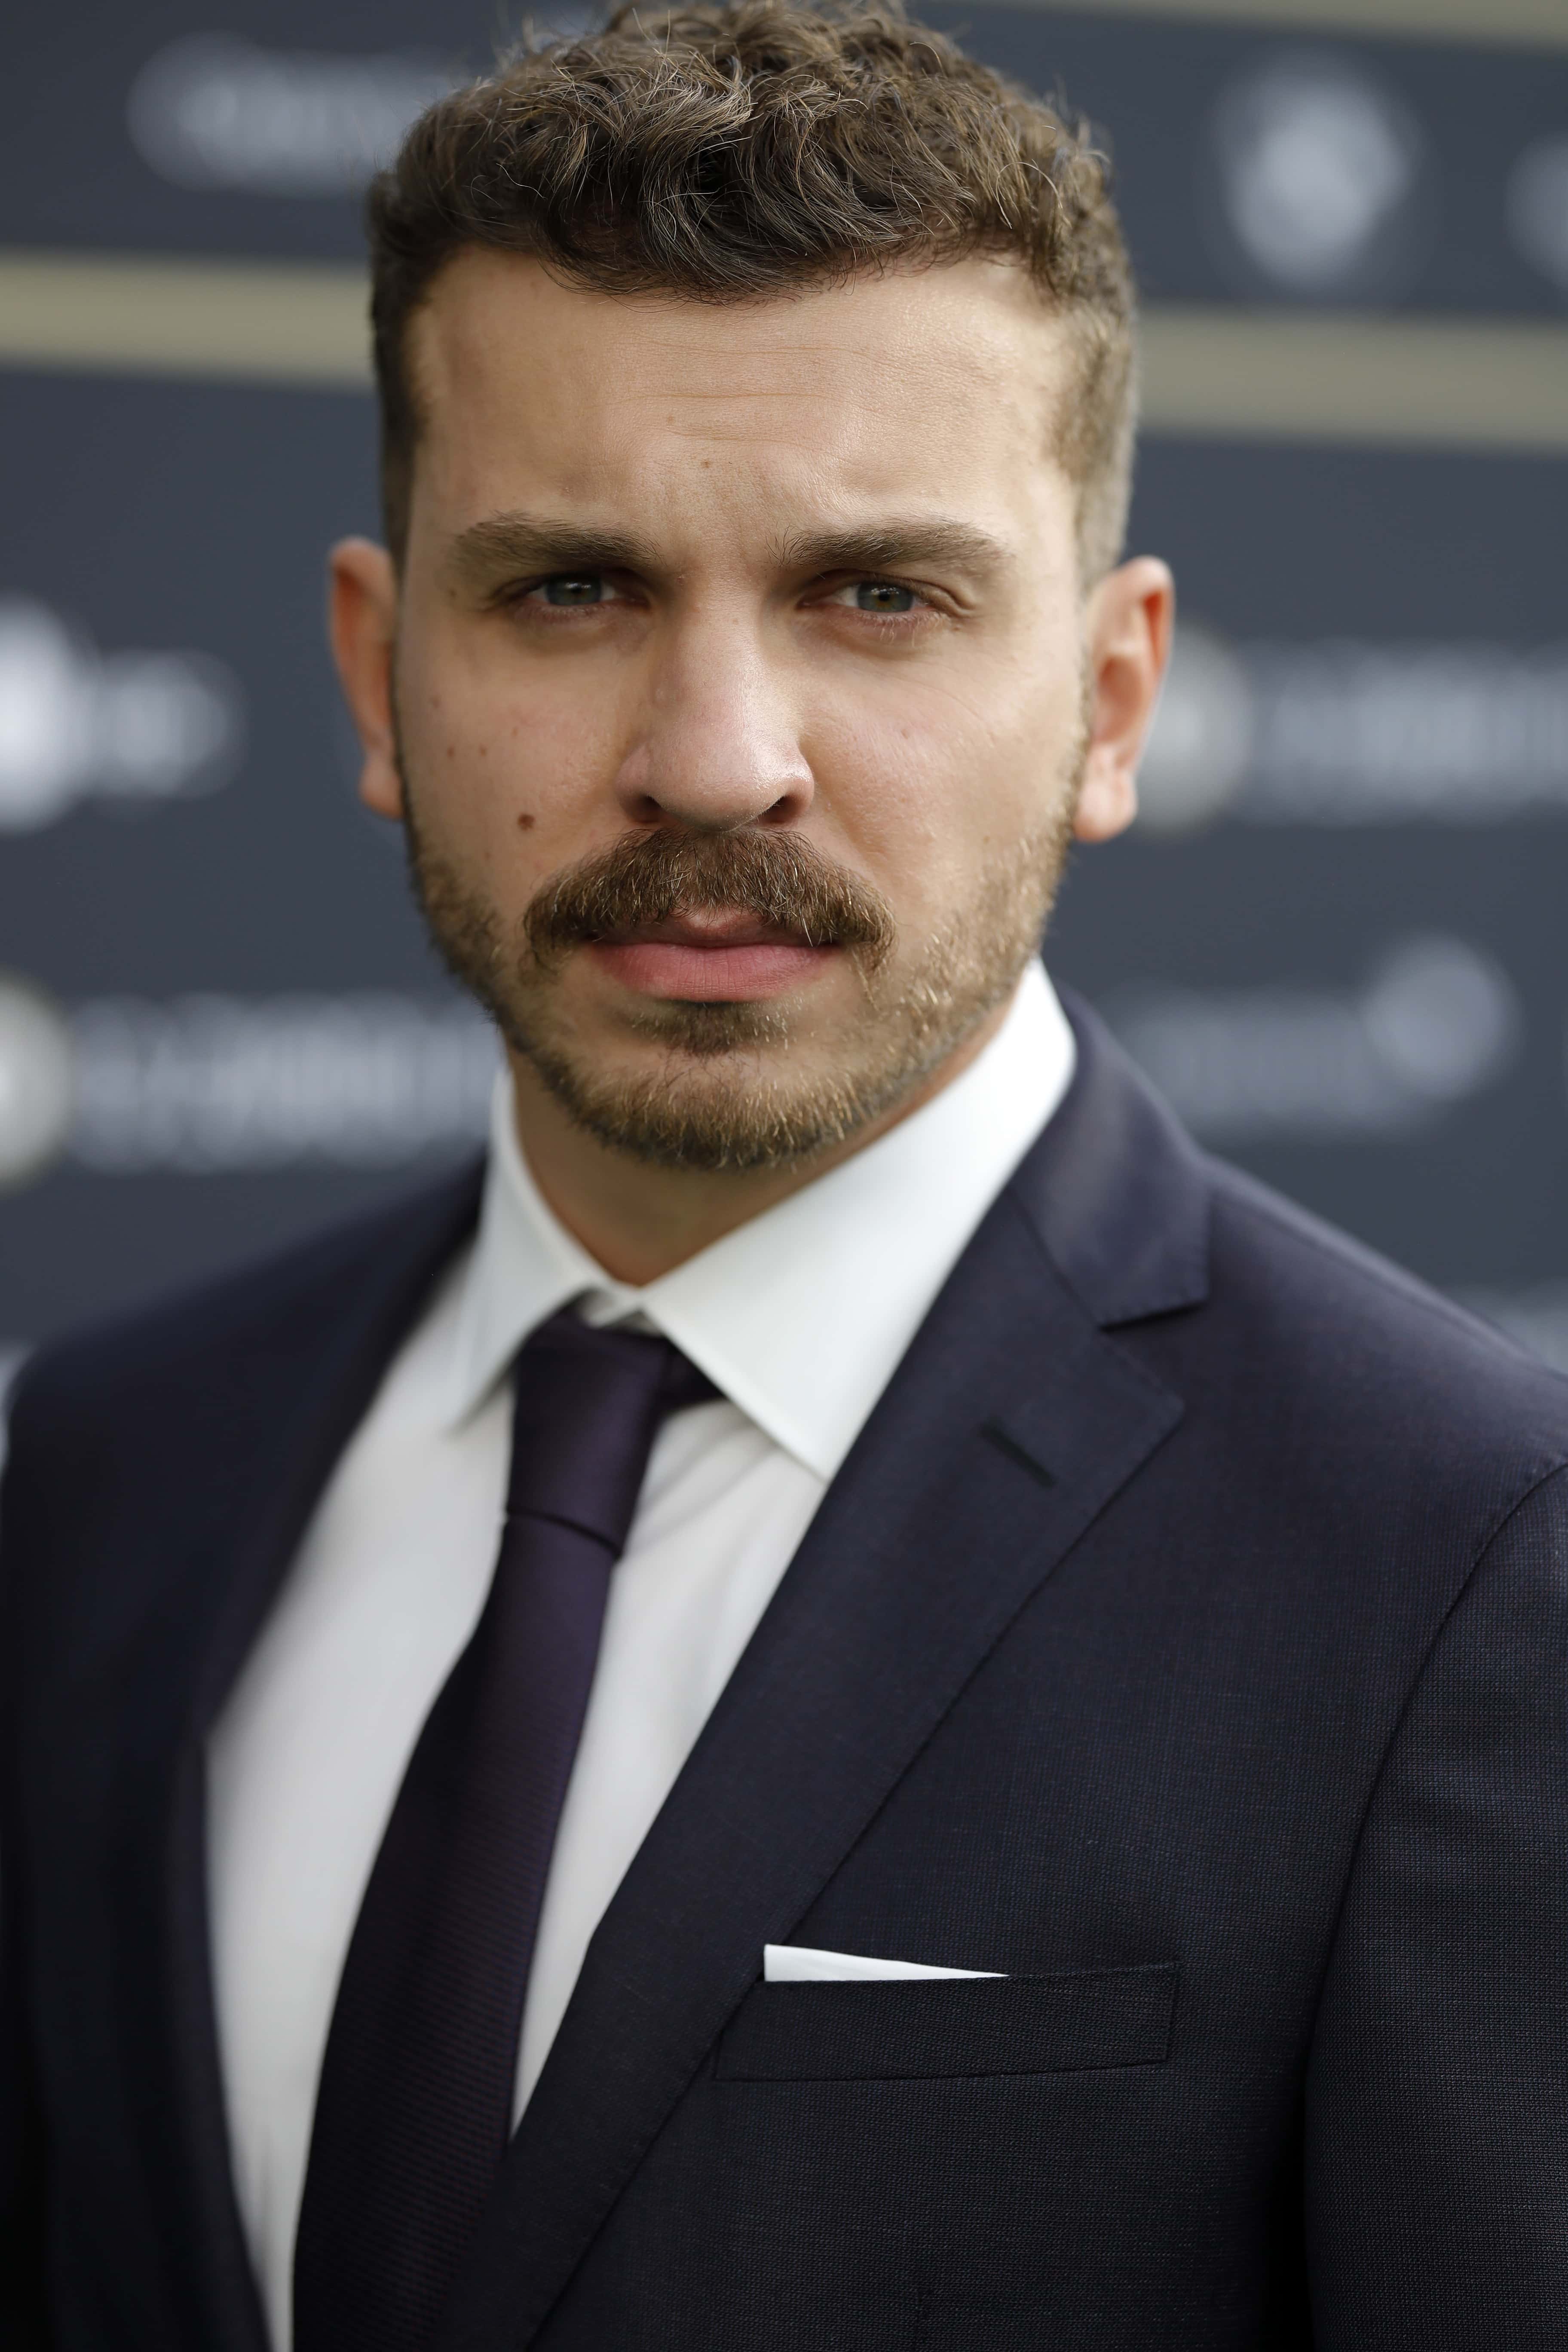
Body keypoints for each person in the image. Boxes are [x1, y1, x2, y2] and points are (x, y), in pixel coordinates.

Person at [5, 4, 1568, 2346]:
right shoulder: (116, 1464)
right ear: (374, 672)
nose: (716, 761)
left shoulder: (1467, 1566)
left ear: (1110, 704)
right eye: (571, 589)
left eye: (878, 596)